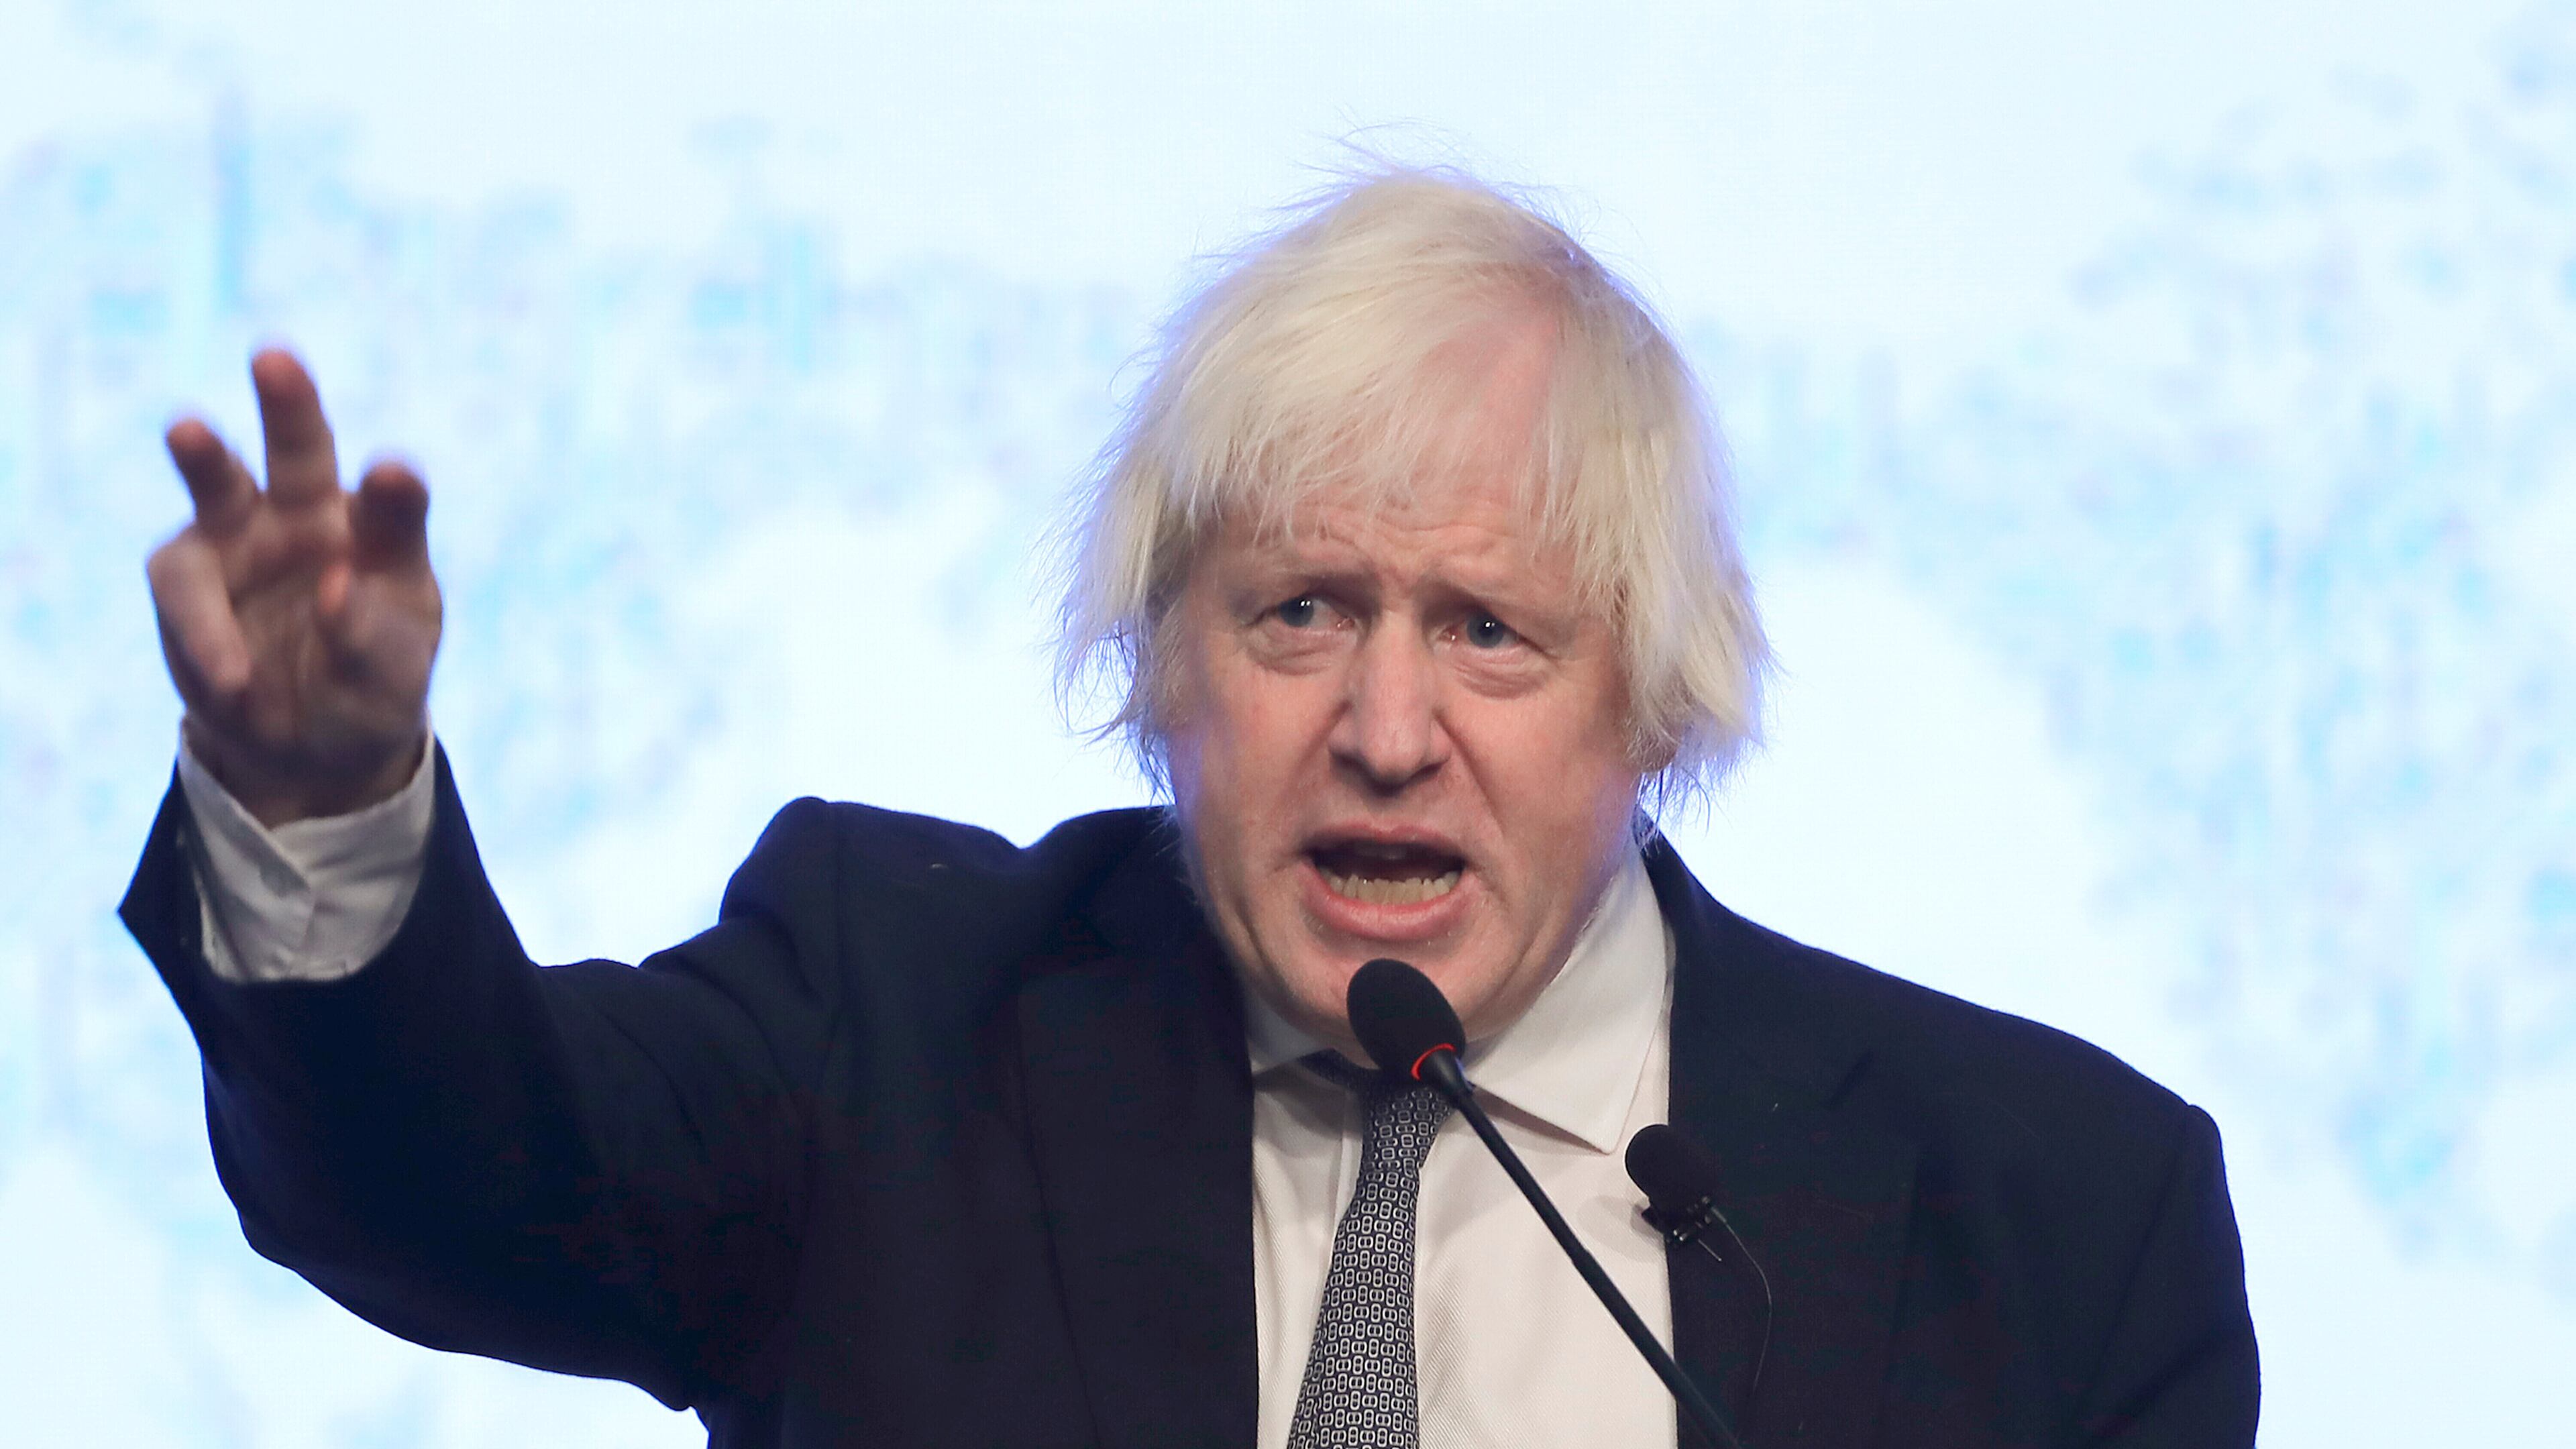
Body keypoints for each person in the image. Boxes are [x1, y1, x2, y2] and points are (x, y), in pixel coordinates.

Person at [124, 169, 2258, 1448]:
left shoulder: (2063, 1222)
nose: (1388, 724)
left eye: (1492, 633)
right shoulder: (887, 1029)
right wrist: (321, 799)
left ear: (1660, 705)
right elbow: (444, 1183)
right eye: (1301, 611)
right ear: (1158, 668)